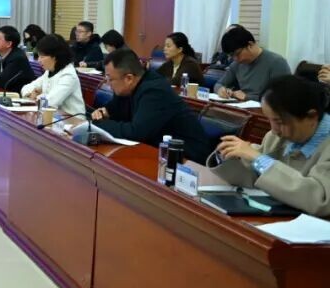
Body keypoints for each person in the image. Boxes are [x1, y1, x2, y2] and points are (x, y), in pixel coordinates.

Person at [211, 75, 330, 217]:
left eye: (279, 122)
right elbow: (255, 178)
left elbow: (321, 199)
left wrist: (260, 159)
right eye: (270, 120)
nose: (274, 130)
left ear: (312, 116)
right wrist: (229, 155)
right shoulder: (276, 137)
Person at [90, 48, 213, 160]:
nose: (107, 82)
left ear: (129, 78)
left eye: (110, 79)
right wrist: (102, 113)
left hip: (186, 159)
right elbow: (113, 109)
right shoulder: (128, 88)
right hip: (157, 149)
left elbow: (136, 132)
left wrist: (98, 125)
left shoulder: (154, 91)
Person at [215, 27, 291, 101]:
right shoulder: (236, 65)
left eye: (237, 54)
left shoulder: (277, 63)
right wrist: (220, 90)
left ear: (250, 45)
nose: (235, 59)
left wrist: (248, 97)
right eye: (231, 56)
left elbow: (283, 97)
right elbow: (219, 84)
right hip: (242, 106)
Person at [20, 34, 86, 119]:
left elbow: (50, 102)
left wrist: (37, 96)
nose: (39, 60)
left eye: (42, 56)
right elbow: (25, 88)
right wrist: (31, 95)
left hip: (73, 121)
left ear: (55, 57)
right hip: (53, 118)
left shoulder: (68, 75)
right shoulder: (49, 72)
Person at [0, 25, 36, 91]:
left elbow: (2, 82)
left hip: (21, 94)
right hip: (7, 92)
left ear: (9, 44)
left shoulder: (18, 58)